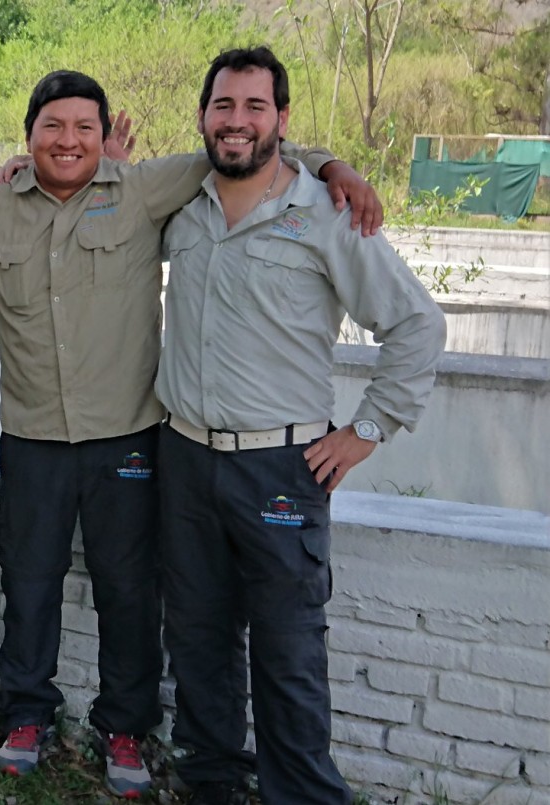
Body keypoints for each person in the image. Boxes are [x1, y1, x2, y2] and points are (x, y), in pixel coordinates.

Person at [0, 71, 380, 796]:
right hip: (33, 438)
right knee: (28, 583)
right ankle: (27, 711)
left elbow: (246, 146)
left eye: (84, 129)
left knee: (128, 591)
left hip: (128, 439)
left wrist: (332, 166)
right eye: (52, 128)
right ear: (28, 136)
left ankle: (124, 724)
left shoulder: (144, 190)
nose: (68, 141)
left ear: (104, 137)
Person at [156, 47, 445, 804]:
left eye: (256, 107)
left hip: (281, 467)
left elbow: (417, 326)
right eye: (224, 106)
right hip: (184, 456)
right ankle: (210, 784)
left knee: (288, 656)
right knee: (197, 640)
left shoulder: (328, 213)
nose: (238, 121)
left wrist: (367, 429)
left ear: (282, 119)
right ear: (203, 116)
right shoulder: (181, 204)